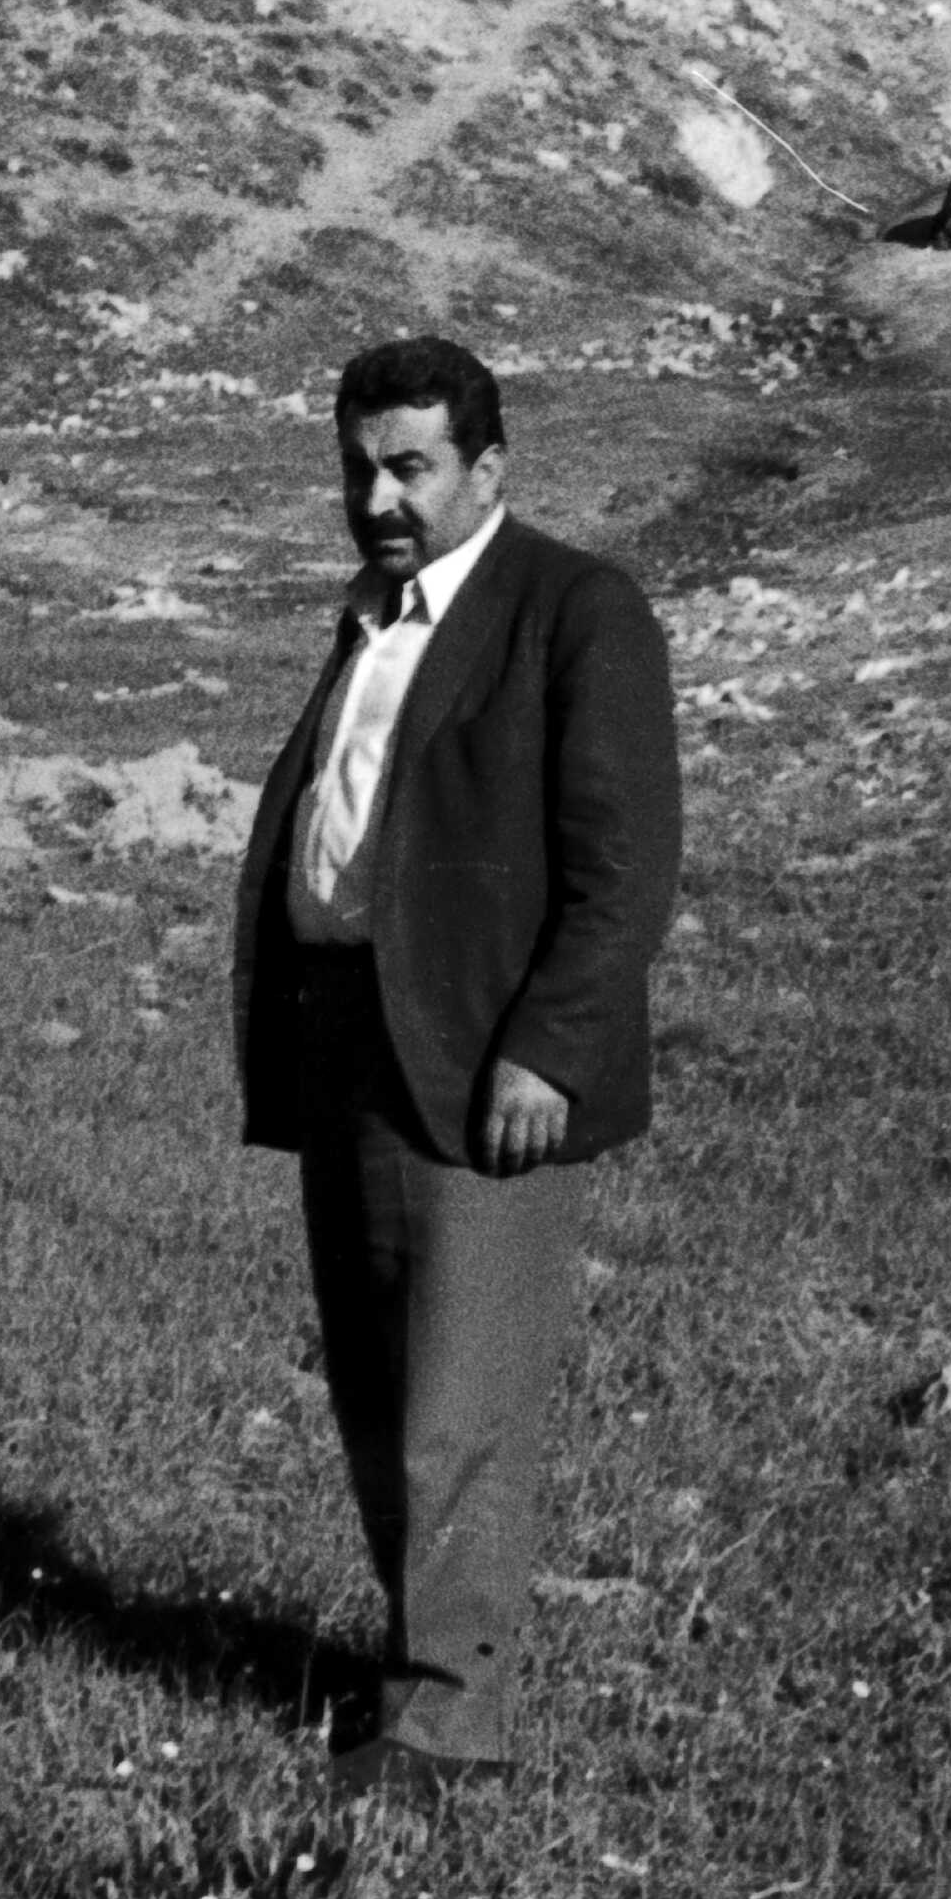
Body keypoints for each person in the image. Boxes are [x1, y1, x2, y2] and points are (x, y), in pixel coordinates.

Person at [229, 333, 681, 1801]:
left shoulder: (577, 610)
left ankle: (448, 1730)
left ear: (489, 468)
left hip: (484, 1064)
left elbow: (625, 868)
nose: (378, 498)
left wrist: (547, 1048)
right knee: (374, 1387)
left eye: (410, 467)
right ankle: (412, 1666)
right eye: (359, 468)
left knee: (460, 1402)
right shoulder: (375, 617)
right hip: (347, 1042)